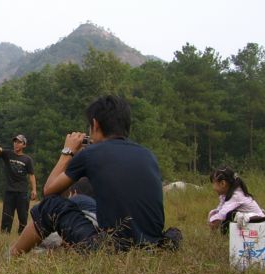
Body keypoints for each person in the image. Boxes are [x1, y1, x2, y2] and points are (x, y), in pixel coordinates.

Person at [10, 95, 180, 256]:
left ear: (95, 124)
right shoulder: (148, 155)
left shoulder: (91, 153)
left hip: (111, 248)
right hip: (152, 244)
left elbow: (49, 192)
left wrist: (67, 152)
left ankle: (12, 256)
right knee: (84, 202)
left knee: (50, 206)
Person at [0, 133, 37, 234]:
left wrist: (34, 190)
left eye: (19, 142)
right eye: (15, 142)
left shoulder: (27, 159)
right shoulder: (8, 154)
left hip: (22, 192)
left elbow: (31, 175)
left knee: (23, 217)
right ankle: (4, 237)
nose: (16, 144)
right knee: (7, 216)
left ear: (24, 145)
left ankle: (22, 238)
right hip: (9, 192)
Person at [208, 166, 265, 234]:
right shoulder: (226, 195)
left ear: (223, 183)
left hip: (259, 224)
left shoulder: (236, 196)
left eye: (213, 184)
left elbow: (222, 214)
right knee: (229, 215)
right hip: (252, 222)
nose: (213, 188)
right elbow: (220, 209)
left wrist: (212, 221)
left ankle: (226, 238)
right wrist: (212, 213)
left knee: (229, 215)